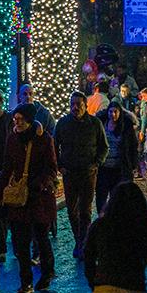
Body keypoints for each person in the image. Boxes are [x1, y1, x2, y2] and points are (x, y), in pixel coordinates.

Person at [2, 103, 59, 293]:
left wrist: (38, 183)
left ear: (28, 121)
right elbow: (7, 167)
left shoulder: (44, 140)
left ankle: (47, 272)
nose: (16, 123)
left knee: (41, 237)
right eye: (14, 119)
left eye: (20, 120)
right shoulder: (12, 139)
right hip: (20, 199)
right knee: (20, 242)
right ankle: (25, 282)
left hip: (38, 198)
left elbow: (51, 168)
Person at [55, 91, 107, 260]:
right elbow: (54, 146)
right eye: (73, 104)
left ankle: (83, 242)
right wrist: (59, 166)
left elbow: (103, 147)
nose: (75, 107)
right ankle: (79, 239)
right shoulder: (63, 123)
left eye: (78, 104)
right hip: (69, 173)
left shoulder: (94, 123)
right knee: (72, 209)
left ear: (85, 105)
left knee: (85, 209)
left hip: (88, 172)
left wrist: (97, 163)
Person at [97, 101, 140, 212]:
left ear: (120, 112)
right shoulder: (101, 123)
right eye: (111, 111)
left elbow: (132, 146)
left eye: (116, 112)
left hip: (120, 167)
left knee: (117, 197)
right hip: (103, 167)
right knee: (101, 196)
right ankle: (102, 218)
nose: (113, 114)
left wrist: (133, 164)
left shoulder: (126, 126)